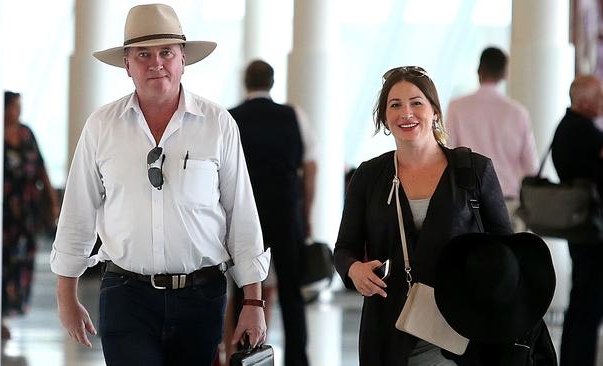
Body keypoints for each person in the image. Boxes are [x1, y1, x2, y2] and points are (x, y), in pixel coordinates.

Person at [49, 4, 270, 366]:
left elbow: (241, 214)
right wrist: (66, 296)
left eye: (166, 52)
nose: (156, 63)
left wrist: (252, 302)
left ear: (183, 59)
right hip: (125, 295)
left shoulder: (218, 124)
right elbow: (78, 211)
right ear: (127, 64)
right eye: (143, 54)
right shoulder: (101, 126)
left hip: (202, 296)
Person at [333, 66, 512, 365]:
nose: (407, 113)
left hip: (460, 330)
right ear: (385, 118)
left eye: (417, 102)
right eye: (395, 105)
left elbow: (505, 249)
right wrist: (354, 270)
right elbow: (344, 248)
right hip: (390, 329)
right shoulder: (369, 176)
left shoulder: (473, 171)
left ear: (435, 112)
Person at [226, 60, 312, 366]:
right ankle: (298, 359)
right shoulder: (293, 115)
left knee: (244, 290)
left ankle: (243, 355)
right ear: (272, 82)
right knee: (292, 290)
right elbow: (309, 166)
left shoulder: (230, 119)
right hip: (287, 210)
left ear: (245, 82)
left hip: (246, 216)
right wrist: (306, 212)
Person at [446, 47, 538, 231]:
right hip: (508, 202)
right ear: (505, 74)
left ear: (478, 70)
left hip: (468, 201)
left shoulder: (457, 107)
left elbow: (448, 152)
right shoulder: (517, 112)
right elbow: (531, 167)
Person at [551, 74, 603, 366]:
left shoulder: (568, 126)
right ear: (583, 101)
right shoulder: (581, 129)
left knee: (583, 301)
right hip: (592, 231)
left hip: (582, 229)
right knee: (590, 303)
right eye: (600, 98)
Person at [2, 91, 59, 340]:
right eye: (13, 107)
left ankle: (11, 309)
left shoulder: (26, 133)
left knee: (23, 261)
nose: (17, 112)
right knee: (1, 263)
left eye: (18, 107)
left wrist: (52, 201)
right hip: (1, 211)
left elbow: (41, 168)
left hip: (26, 211)